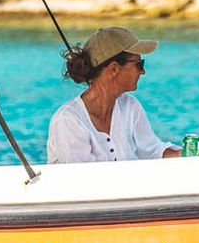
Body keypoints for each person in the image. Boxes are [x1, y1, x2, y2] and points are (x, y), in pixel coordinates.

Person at [46, 25, 181, 165]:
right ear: (114, 68)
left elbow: (152, 151)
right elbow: (83, 182)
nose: (143, 72)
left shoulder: (130, 106)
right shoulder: (68, 120)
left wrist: (184, 156)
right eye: (139, 64)